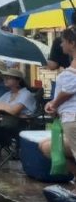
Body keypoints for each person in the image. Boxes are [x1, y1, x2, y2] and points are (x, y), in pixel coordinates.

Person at [44, 27, 76, 170]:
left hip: (72, 118)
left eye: (63, 41)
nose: (61, 45)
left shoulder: (71, 71)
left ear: (72, 43)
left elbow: (67, 91)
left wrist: (54, 104)